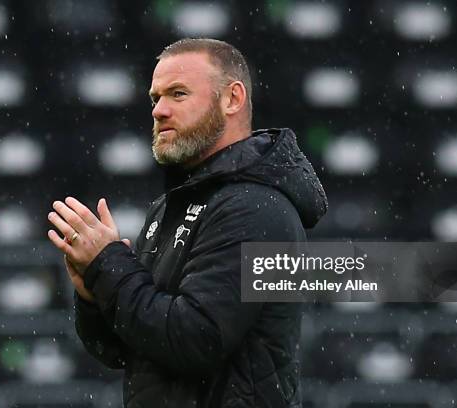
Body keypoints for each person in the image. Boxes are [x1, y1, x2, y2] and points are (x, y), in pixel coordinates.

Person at [47, 38, 327, 407]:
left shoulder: (256, 207)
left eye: (177, 94)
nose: (159, 111)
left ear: (232, 99)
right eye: (154, 98)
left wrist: (110, 267)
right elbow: (123, 350)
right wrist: (93, 290)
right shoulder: (171, 205)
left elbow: (195, 340)